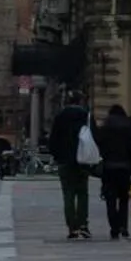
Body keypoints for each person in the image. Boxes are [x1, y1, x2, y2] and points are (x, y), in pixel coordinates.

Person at [47, 96, 93, 240]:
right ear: (80, 102)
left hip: (65, 162)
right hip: (83, 160)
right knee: (83, 193)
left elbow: (53, 140)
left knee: (68, 194)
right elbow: (94, 137)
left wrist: (57, 156)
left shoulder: (59, 117)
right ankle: (83, 225)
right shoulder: (85, 116)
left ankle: (72, 227)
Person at [95, 104, 131, 240]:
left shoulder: (104, 127)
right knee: (124, 199)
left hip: (109, 168)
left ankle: (114, 228)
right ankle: (123, 227)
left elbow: (99, 146)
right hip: (125, 168)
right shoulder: (128, 127)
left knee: (110, 200)